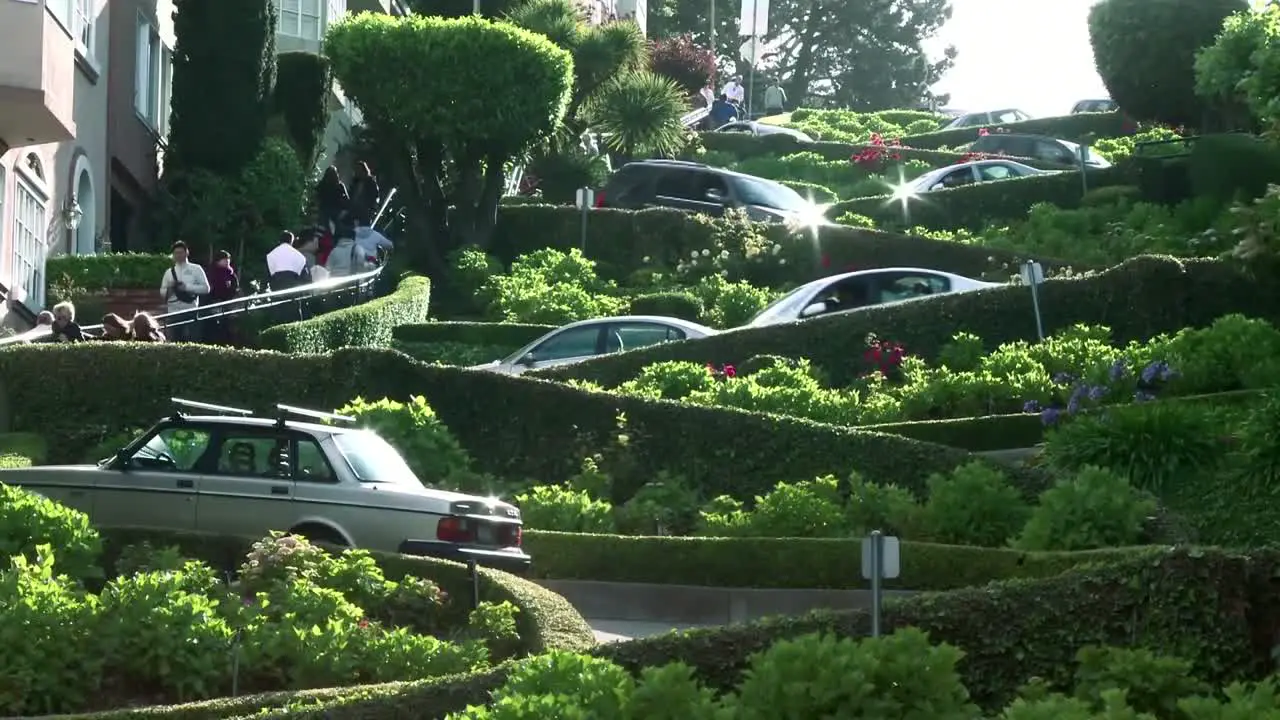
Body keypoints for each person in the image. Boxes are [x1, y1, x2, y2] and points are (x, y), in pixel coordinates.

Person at [159, 240, 210, 343]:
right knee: (175, 341)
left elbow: (206, 288)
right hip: (173, 312)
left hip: (191, 310)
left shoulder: (196, 269)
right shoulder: (169, 272)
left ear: (187, 252)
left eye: (181, 252)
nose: (178, 255)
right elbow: (162, 293)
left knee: (193, 340)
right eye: (176, 253)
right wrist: (170, 289)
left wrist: (186, 287)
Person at [205, 250, 239, 345]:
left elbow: (235, 286)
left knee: (229, 325)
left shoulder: (231, 273)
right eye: (224, 259)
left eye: (228, 259)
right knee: (216, 325)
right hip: (215, 301)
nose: (227, 261)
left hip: (228, 302)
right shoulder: (212, 272)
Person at [316, 166, 349, 232]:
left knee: (326, 227)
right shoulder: (338, 185)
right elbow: (346, 198)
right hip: (329, 209)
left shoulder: (339, 185)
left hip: (331, 209)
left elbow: (346, 198)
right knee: (330, 226)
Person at [349, 161, 381, 226]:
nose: (356, 172)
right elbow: (351, 196)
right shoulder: (355, 183)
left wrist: (371, 211)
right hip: (354, 212)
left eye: (358, 170)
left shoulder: (371, 183)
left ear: (363, 170)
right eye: (355, 170)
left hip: (365, 214)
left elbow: (375, 198)